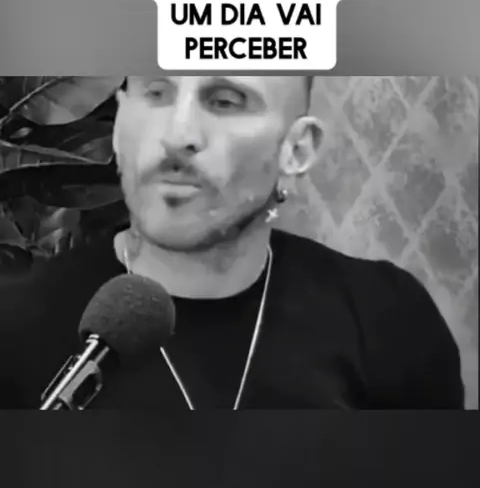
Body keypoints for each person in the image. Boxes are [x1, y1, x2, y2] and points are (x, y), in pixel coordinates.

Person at [0, 75, 464, 409]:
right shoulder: (17, 328)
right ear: (119, 127)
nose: (177, 135)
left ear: (296, 150)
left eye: (224, 100)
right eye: (157, 93)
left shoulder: (387, 320)